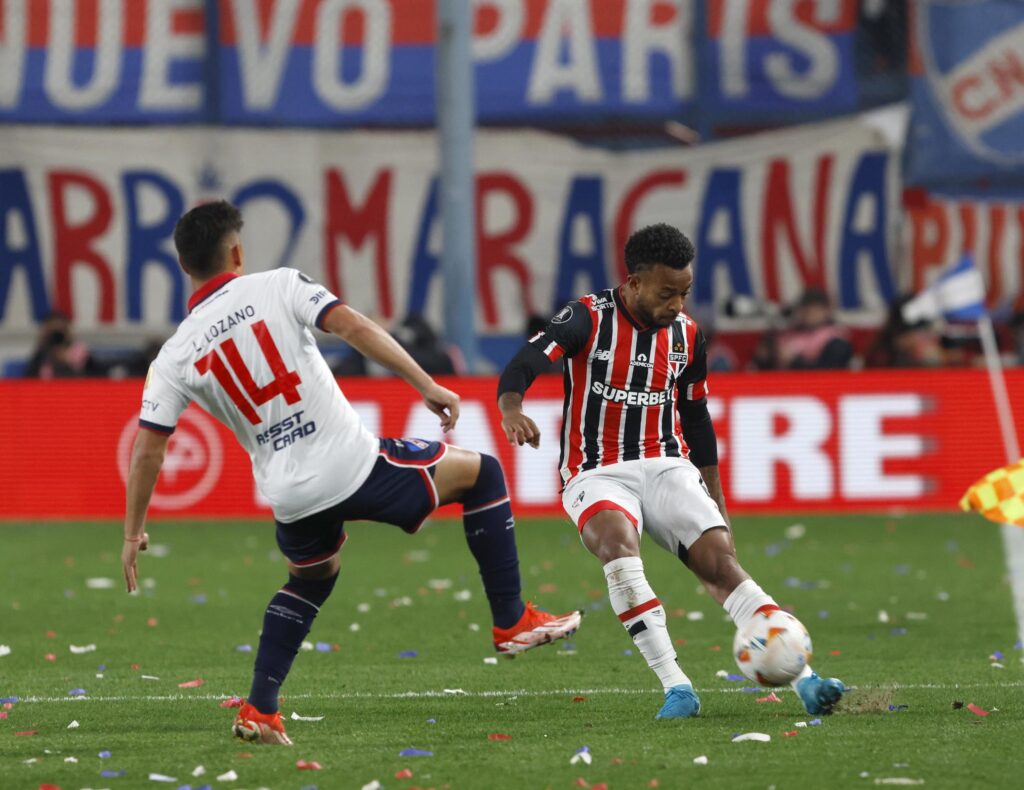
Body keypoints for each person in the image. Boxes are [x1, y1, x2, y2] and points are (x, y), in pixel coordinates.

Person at [121, 201, 581, 746]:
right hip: (354, 465)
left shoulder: (173, 355)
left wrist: (133, 532)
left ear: (182, 266)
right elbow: (354, 328)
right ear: (237, 252)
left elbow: (149, 449)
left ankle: (261, 710)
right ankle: (511, 620)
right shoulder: (279, 285)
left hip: (289, 494)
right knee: (481, 473)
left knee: (312, 577)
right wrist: (426, 383)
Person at [496, 223, 845, 720]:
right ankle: (676, 685)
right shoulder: (586, 317)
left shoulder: (688, 335)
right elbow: (524, 362)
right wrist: (512, 408)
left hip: (667, 464)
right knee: (618, 548)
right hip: (597, 470)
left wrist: (716, 494)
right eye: (667, 293)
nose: (677, 304)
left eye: (684, 292)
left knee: (720, 562)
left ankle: (805, 681)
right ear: (634, 283)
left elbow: (696, 416)